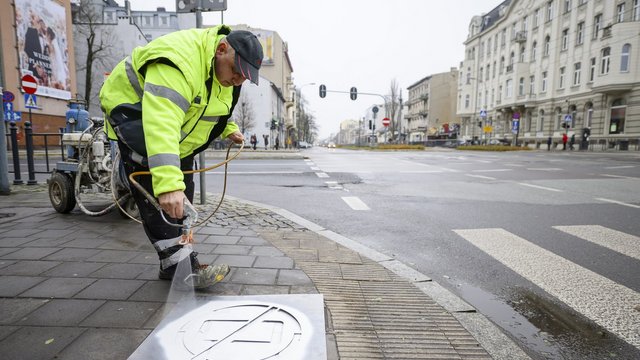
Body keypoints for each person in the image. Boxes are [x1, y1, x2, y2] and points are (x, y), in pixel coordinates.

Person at [99, 26, 263, 289]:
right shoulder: (179, 62)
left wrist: (229, 128)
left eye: (244, 77)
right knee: (160, 193)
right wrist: (168, 185)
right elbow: (160, 123)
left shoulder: (226, 72)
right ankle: (177, 266)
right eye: (235, 71)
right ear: (221, 50)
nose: (237, 80)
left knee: (183, 194)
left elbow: (214, 103)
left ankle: (179, 258)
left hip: (178, 133)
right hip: (135, 112)